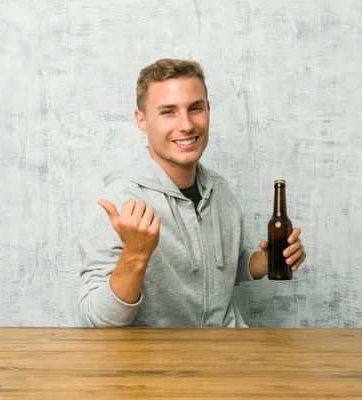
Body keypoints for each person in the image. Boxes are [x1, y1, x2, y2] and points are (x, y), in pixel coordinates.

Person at [77, 58, 306, 327]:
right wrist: (135, 257)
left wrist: (264, 262)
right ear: (142, 121)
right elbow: (94, 321)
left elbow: (216, 271)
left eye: (195, 108)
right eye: (168, 112)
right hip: (163, 363)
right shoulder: (118, 204)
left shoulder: (219, 190)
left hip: (227, 352)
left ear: (208, 110)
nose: (186, 125)